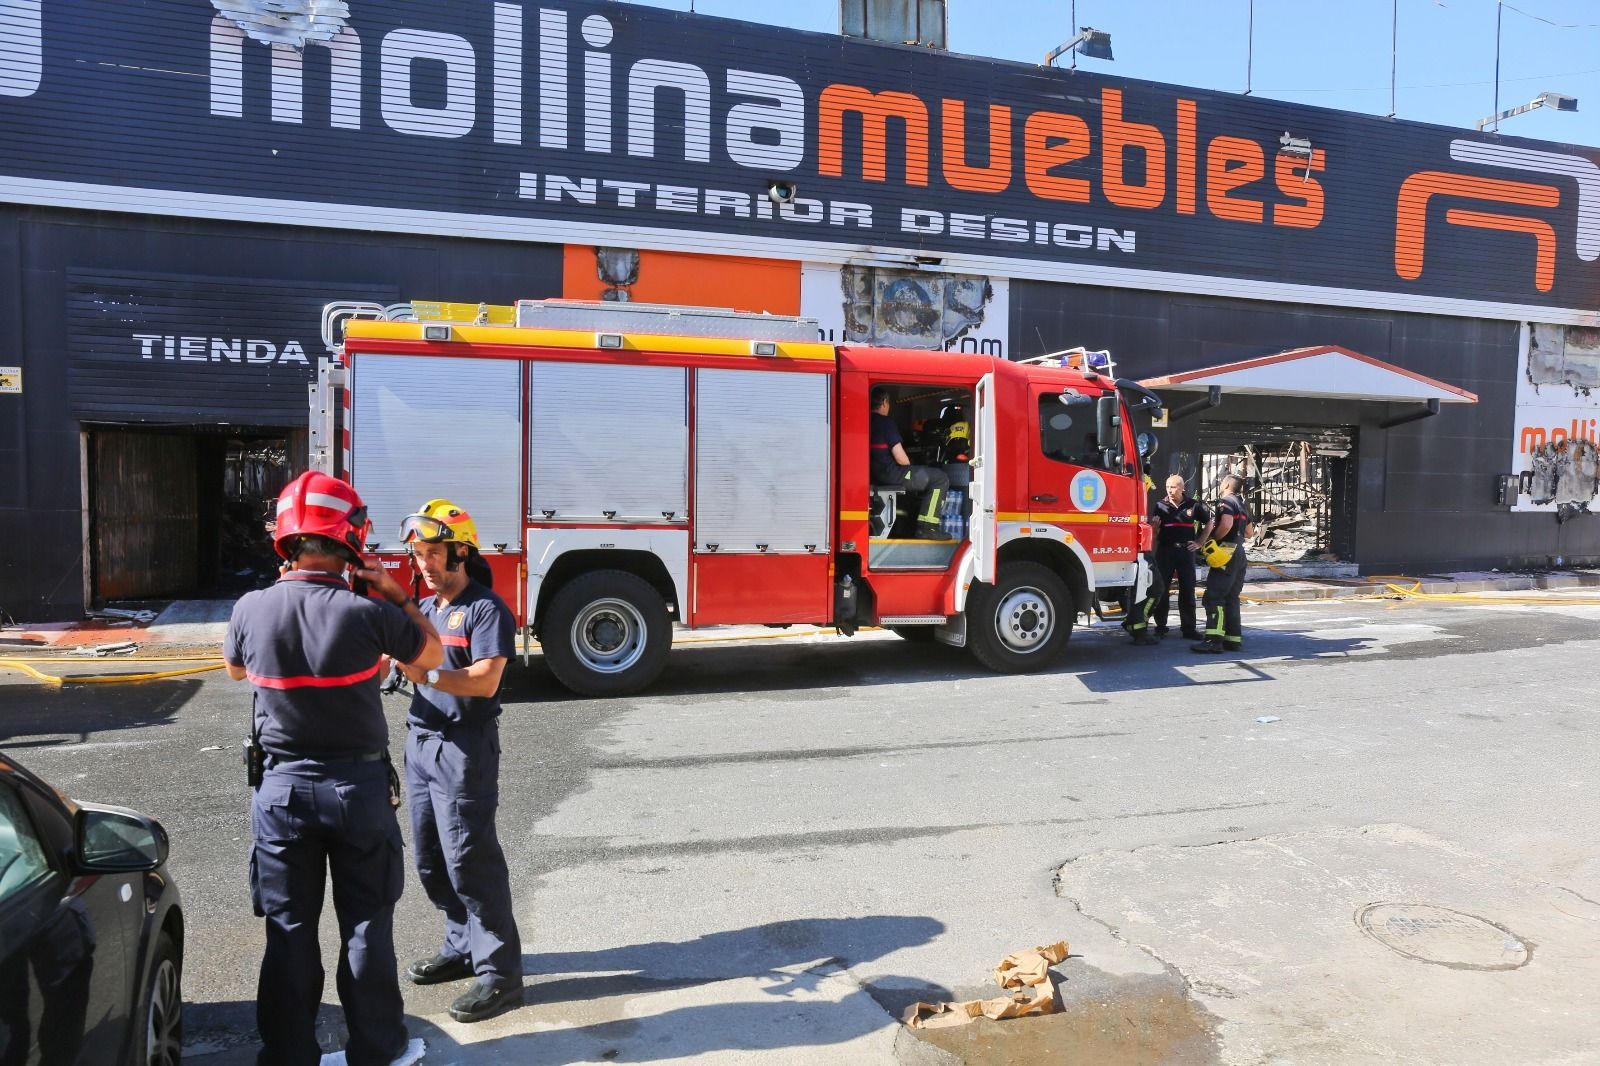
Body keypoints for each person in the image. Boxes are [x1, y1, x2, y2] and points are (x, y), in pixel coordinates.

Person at [223, 471, 442, 1066]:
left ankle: (289, 1055)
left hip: (281, 791)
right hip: (359, 790)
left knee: (289, 928)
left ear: (288, 543)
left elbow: (238, 673)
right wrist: (396, 596)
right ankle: (377, 1049)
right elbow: (435, 654)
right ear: (350, 543)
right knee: (367, 925)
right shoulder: (365, 614)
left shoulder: (251, 608)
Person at [393, 500, 524, 1024]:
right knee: (430, 858)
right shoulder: (426, 608)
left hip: (463, 746)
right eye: (418, 553)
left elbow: (485, 680)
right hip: (421, 740)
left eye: (433, 552)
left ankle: (500, 975)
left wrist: (420, 675)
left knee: (470, 859)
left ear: (460, 551)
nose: (425, 562)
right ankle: (462, 945)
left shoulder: (485, 609)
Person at [870, 387, 951, 540]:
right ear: (885, 402)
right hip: (890, 474)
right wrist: (912, 466)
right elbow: (901, 459)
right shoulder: (886, 423)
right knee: (939, 478)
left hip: (874, 475)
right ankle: (928, 528)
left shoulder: (867, 421)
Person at [1192, 473, 1254, 654]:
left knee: (1215, 596)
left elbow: (1226, 524)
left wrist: (1213, 539)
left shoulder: (1225, 502)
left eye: (1221, 482)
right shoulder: (1242, 505)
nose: (1220, 484)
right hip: (1240, 554)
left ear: (1226, 485)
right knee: (1231, 597)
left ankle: (1213, 640)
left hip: (1226, 553)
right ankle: (1233, 640)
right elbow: (1250, 533)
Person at [1148, 475, 1208, 639]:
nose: (1169, 489)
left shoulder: (1192, 505)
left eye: (1173, 487)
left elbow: (1210, 522)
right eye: (1168, 486)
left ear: (1182, 488)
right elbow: (1154, 534)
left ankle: (1188, 628)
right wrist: (1154, 528)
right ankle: (1161, 626)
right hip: (1165, 551)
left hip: (1185, 551)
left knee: (1187, 589)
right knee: (1162, 589)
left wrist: (1200, 542)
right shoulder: (1160, 505)